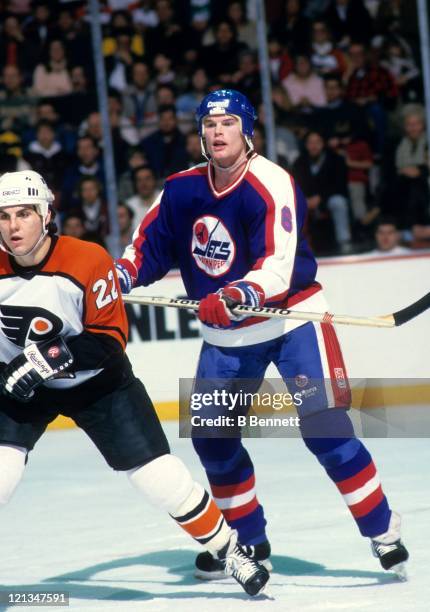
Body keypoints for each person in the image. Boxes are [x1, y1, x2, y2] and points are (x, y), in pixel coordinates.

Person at [115, 89, 409, 581]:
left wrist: (239, 292)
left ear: (247, 131)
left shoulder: (272, 183)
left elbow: (279, 263)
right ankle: (248, 543)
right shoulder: (182, 188)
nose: (216, 132)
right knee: (213, 442)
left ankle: (383, 531)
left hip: (292, 322)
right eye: (209, 125)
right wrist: (121, 276)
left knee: (327, 433)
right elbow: (148, 245)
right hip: (227, 339)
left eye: (227, 123)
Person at [0, 169, 269, 597]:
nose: (12, 226)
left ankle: (230, 549)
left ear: (46, 215)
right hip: (23, 385)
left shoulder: (87, 259)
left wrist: (42, 359)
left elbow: (109, 340)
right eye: (4, 215)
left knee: (158, 479)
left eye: (24, 214)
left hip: (100, 384)